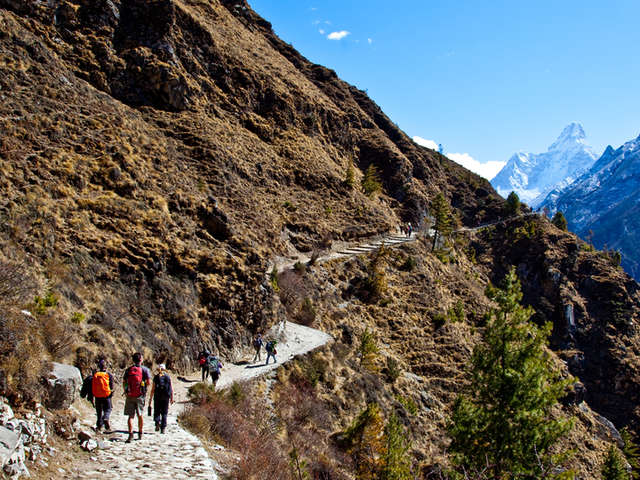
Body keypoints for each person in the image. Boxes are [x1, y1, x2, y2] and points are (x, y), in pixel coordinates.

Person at [123, 352, 151, 443]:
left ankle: (130, 434)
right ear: (141, 360)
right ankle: (140, 433)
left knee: (130, 416)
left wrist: (126, 391)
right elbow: (149, 382)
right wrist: (143, 388)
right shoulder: (145, 370)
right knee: (140, 415)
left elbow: (124, 382)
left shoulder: (128, 370)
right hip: (140, 395)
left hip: (130, 395)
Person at [149, 364, 173, 434]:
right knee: (164, 412)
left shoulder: (156, 377)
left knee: (157, 411)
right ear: (165, 369)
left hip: (157, 396)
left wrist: (150, 399)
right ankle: (163, 428)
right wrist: (171, 398)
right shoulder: (168, 377)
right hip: (166, 397)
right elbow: (171, 388)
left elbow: (153, 389)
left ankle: (157, 423)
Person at [91, 359, 114, 432]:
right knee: (108, 409)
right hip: (106, 395)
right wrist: (111, 393)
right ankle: (106, 418)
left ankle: (99, 426)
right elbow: (112, 386)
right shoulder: (109, 375)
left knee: (99, 411)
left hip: (97, 395)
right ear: (106, 367)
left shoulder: (95, 375)